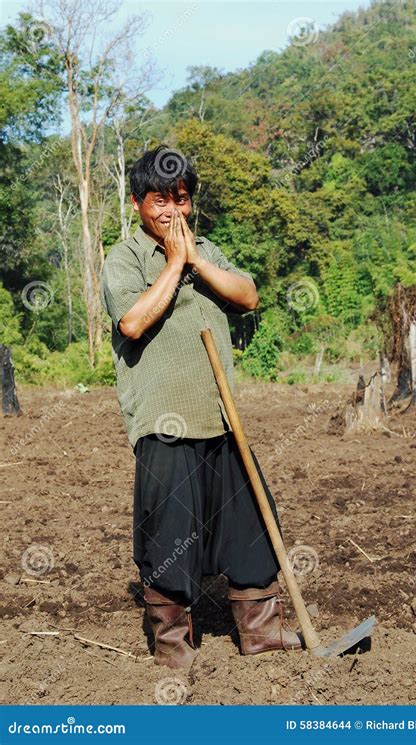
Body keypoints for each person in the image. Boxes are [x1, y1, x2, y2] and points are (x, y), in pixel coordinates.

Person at [100, 145, 302, 669]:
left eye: (182, 199)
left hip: (221, 418)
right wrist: (173, 264)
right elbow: (132, 323)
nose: (172, 211)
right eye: (160, 200)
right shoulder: (123, 259)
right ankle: (174, 644)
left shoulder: (208, 249)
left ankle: (261, 631)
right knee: (168, 534)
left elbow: (248, 295)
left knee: (252, 525)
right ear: (137, 202)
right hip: (163, 422)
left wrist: (196, 260)